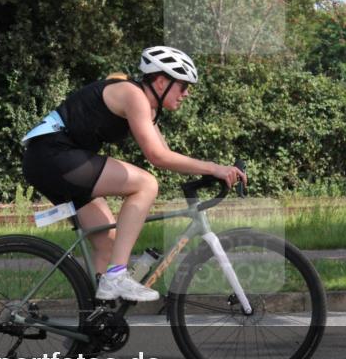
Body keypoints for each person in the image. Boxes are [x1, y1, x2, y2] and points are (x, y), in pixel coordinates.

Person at [22, 46, 246, 302]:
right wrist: (214, 167)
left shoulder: (148, 108)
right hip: (55, 156)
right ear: (162, 82)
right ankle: (116, 277)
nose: (187, 94)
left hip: (50, 160)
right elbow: (156, 157)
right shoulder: (133, 94)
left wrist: (210, 171)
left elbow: (166, 153)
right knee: (146, 184)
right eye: (183, 86)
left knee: (108, 242)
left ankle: (97, 323)